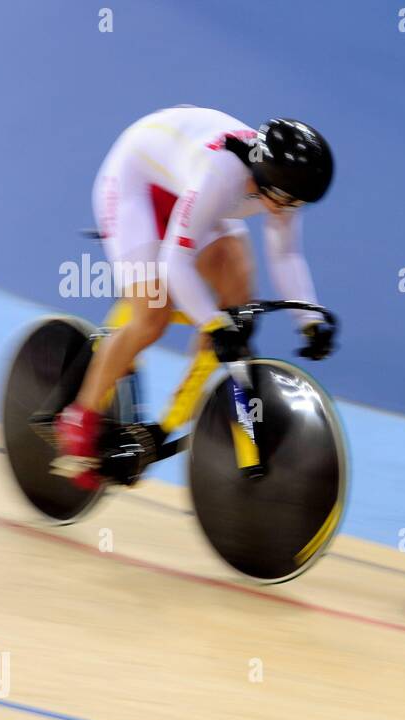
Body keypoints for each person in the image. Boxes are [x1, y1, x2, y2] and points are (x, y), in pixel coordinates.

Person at [54, 105, 336, 489]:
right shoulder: (222, 175)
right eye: (290, 200)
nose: (292, 210)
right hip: (136, 185)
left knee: (238, 297)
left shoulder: (281, 186)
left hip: (186, 187)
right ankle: (79, 418)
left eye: (300, 203)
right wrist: (212, 324)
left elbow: (286, 254)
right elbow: (175, 261)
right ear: (269, 180)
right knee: (152, 314)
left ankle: (169, 422)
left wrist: (310, 321)